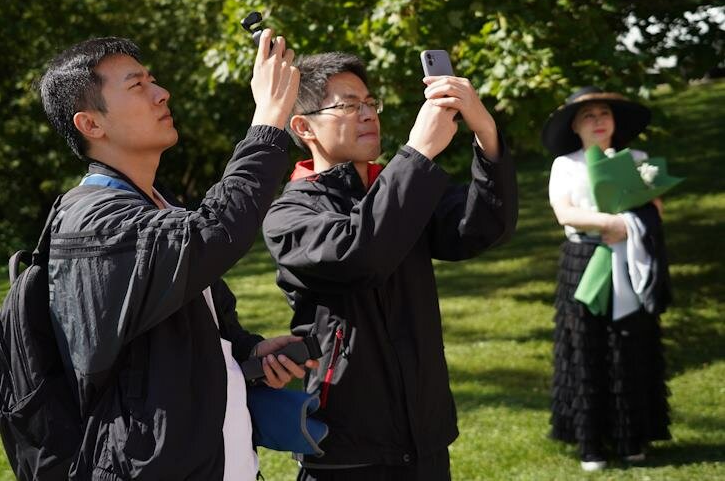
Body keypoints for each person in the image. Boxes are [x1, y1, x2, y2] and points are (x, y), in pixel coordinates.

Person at [36, 32, 316, 480]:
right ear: (91, 124)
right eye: (137, 85)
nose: (161, 93)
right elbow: (216, 231)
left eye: (153, 80)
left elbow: (176, 328)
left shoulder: (153, 206)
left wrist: (249, 350)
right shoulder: (94, 220)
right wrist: (267, 121)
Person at [261, 52, 518, 480]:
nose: (367, 115)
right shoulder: (289, 216)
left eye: (369, 103)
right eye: (347, 105)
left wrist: (485, 132)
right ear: (304, 127)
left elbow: (481, 227)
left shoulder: (397, 187)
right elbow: (360, 255)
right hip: (347, 444)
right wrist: (417, 153)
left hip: (425, 435)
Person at [542, 86, 671, 472]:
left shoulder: (639, 159)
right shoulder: (567, 164)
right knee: (587, 346)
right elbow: (564, 213)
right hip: (585, 262)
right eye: (588, 116)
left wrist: (628, 225)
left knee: (630, 343)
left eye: (604, 114)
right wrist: (608, 222)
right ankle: (591, 444)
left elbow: (657, 210)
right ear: (575, 127)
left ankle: (632, 437)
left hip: (632, 262)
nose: (598, 122)